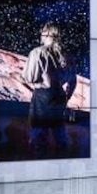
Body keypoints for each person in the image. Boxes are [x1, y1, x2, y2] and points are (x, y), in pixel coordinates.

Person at [23, 22, 71, 158]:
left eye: (43, 31)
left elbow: (29, 77)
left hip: (42, 100)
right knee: (60, 135)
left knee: (38, 139)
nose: (41, 33)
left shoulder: (37, 52)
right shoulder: (64, 54)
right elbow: (71, 79)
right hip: (59, 98)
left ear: (48, 33)